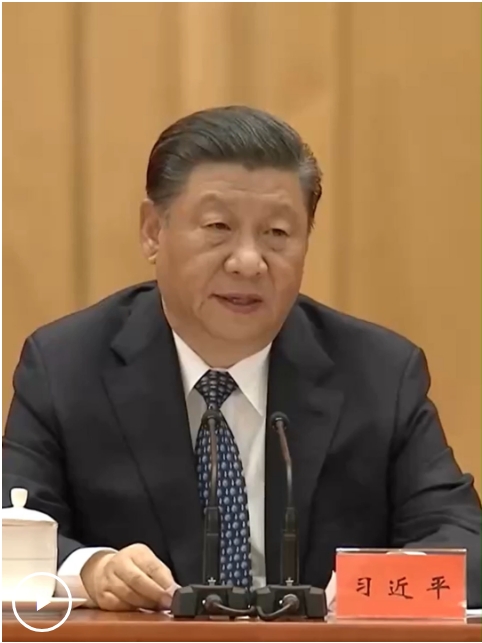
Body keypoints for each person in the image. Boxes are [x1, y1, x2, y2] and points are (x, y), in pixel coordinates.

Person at [3, 105, 481, 612]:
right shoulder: (66, 367)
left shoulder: (380, 373)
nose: (249, 262)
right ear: (153, 231)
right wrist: (90, 570)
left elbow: (464, 544)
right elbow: (11, 530)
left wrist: (373, 586)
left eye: (277, 234)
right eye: (218, 226)